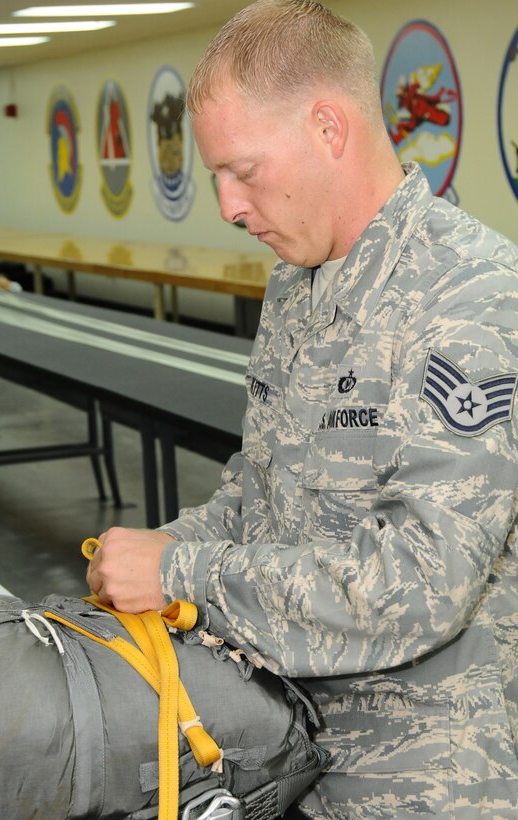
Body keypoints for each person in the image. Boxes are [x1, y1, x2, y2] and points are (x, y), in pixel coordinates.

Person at [86, 1, 518, 816]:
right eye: (215, 177)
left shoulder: (471, 295)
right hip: (284, 741)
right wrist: (158, 547)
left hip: (420, 780)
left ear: (328, 127)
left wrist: (178, 572)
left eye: (243, 171)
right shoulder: (296, 280)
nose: (227, 205)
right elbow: (260, 494)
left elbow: (419, 583)